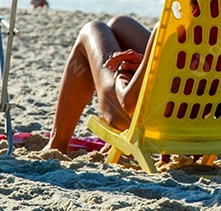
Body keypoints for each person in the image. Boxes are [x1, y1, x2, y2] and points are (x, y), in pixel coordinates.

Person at [48, 15, 155, 154]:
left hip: (149, 121)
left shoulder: (167, 27)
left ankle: (58, 143)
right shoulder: (189, 36)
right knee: (120, 24)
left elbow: (130, 104)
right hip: (189, 121)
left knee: (92, 29)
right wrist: (144, 63)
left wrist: (124, 71)